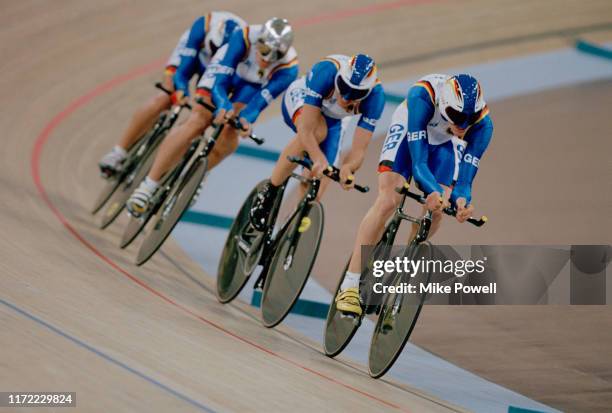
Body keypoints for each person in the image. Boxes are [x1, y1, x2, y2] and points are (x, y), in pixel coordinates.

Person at [335, 73, 494, 316]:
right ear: (443, 104)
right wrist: (432, 190)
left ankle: (405, 265)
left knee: (437, 210)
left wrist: (462, 202)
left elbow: (465, 182)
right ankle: (350, 284)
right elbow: (419, 164)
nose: (462, 125)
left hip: (442, 142)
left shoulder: (483, 125)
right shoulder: (422, 96)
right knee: (389, 200)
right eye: (456, 116)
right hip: (410, 128)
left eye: (468, 119)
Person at [125, 17, 298, 217]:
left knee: (231, 130)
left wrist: (246, 121)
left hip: (251, 86)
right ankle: (148, 186)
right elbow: (219, 83)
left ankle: (200, 173)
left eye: (276, 55)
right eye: (266, 51)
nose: (268, 59)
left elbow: (257, 104)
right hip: (226, 72)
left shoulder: (288, 69)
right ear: (259, 42)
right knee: (199, 119)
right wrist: (222, 105)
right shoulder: (243, 37)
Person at [98, 11, 246, 177]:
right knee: (166, 95)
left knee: (204, 117)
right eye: (212, 50)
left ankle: (192, 177)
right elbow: (181, 72)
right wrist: (180, 91)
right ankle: (119, 151)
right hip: (194, 58)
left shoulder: (240, 50)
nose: (215, 56)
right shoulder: (202, 28)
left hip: (223, 72)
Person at [249, 54, 385, 231]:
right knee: (317, 133)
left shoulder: (376, 98)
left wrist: (348, 168)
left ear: (366, 92)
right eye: (344, 87)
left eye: (356, 94)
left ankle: (287, 234)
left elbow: (359, 149)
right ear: (340, 77)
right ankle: (270, 191)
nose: (346, 98)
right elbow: (306, 129)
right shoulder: (326, 72)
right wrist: (317, 157)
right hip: (304, 100)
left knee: (319, 183)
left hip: (335, 120)